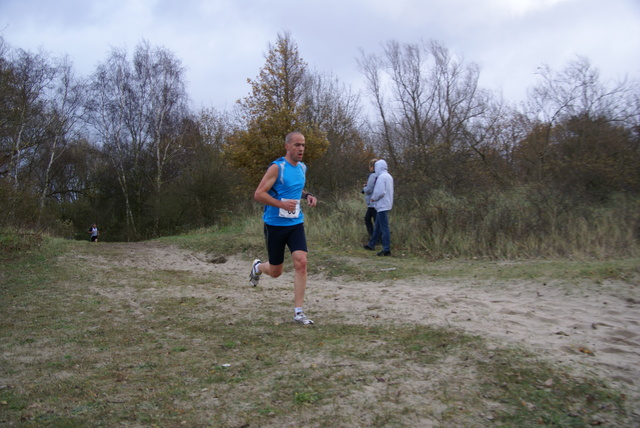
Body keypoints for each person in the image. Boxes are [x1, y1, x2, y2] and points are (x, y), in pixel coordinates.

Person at [249, 131, 318, 325]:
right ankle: (258, 267)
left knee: (301, 262)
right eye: (297, 145)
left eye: (303, 145)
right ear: (287, 146)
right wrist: (280, 204)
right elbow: (258, 194)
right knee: (276, 271)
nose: (301, 148)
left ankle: (298, 312)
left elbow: (295, 188)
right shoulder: (276, 168)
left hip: (295, 223)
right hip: (275, 225)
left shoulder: (302, 168)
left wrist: (307, 196)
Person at [363, 159, 394, 256]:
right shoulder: (388, 176)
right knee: (377, 226)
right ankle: (371, 245)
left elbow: (380, 191)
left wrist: (373, 198)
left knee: (384, 228)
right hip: (386, 204)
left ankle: (386, 250)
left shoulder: (381, 177)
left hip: (382, 205)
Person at [362, 158, 378, 240]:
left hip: (372, 202)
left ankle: (374, 237)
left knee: (368, 219)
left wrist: (364, 187)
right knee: (373, 220)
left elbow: (369, 190)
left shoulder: (372, 176)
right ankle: (375, 238)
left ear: (372, 166)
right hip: (377, 202)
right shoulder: (379, 175)